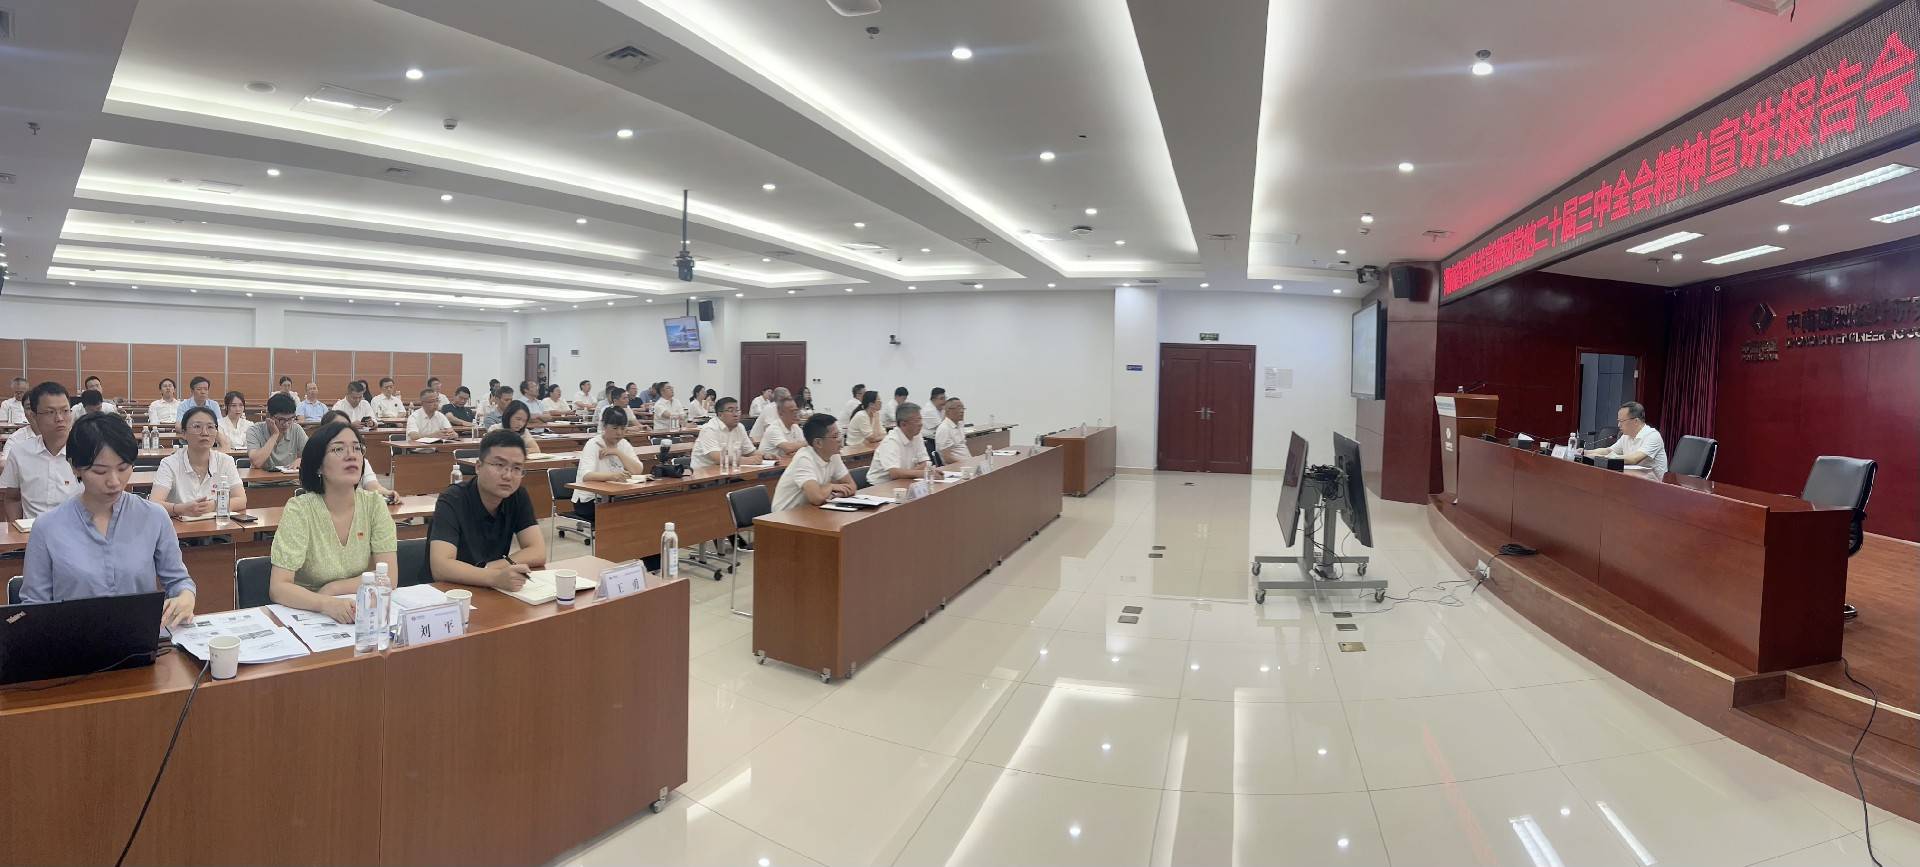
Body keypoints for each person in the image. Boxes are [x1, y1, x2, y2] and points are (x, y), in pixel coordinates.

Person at [20, 413, 195, 628]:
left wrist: (185, 596)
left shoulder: (153, 517)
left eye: (123, 468)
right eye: (100, 471)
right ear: (75, 467)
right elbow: (34, 606)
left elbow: (178, 581)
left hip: (140, 638)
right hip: (72, 642)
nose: (114, 482)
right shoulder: (48, 528)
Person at [266, 422, 400, 623]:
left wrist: (334, 589)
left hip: (359, 611)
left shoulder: (374, 504)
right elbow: (278, 587)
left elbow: (389, 577)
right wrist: (325, 603)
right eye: (338, 449)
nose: (351, 455)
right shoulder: (300, 510)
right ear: (319, 465)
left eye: (357, 448)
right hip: (309, 613)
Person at [427, 429, 547, 588]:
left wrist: (492, 568)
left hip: (491, 588)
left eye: (517, 468)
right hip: (451, 590)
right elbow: (441, 568)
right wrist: (494, 577)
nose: (508, 475)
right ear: (478, 466)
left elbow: (538, 551)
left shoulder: (517, 495)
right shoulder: (452, 499)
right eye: (499, 465)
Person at [0, 382, 80, 521]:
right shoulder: (20, 452)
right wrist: (18, 528)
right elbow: (12, 498)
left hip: (76, 530)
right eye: (50, 412)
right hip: (32, 531)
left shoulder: (87, 451)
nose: (60, 418)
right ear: (34, 416)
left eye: (65, 411)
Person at [151, 405, 248, 517]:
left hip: (216, 526)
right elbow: (154, 503)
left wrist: (214, 505)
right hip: (179, 526)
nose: (205, 433)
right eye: (197, 426)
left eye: (210, 427)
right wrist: (180, 509)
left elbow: (241, 500)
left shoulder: (226, 461)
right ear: (184, 433)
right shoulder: (169, 463)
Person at [571, 405, 645, 525]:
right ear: (604, 426)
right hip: (589, 500)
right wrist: (613, 476)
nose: (619, 433)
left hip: (615, 496)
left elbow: (637, 470)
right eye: (615, 428)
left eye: (622, 428)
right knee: (626, 513)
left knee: (641, 508)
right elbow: (586, 476)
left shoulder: (623, 444)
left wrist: (617, 452)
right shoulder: (593, 444)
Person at [772, 413, 856, 511]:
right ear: (818, 443)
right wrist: (831, 486)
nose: (840, 439)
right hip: (785, 515)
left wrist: (834, 494)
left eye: (839, 434)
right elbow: (816, 498)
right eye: (835, 436)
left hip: (810, 511)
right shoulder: (804, 459)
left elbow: (852, 486)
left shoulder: (833, 455)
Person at [318, 411, 398, 501]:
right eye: (336, 428)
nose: (343, 432)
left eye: (346, 427)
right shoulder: (319, 459)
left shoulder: (359, 459)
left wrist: (386, 493)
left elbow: (372, 485)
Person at [1583, 400, 1669, 476]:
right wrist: (1586, 452)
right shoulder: (1626, 436)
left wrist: (1603, 458)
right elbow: (1609, 450)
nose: (1618, 425)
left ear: (1636, 421)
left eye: (1621, 421)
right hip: (1632, 477)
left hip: (1653, 483)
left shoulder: (1652, 436)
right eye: (1618, 421)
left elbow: (1633, 459)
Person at [246, 392, 309, 472]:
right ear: (269, 416)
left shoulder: (296, 429)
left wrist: (301, 460)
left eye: (290, 419)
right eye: (281, 419)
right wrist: (275, 435)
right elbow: (256, 462)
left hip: (289, 479)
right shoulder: (254, 430)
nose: (286, 424)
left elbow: (311, 455)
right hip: (260, 479)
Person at [868, 402, 931, 483]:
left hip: (904, 480)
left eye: (920, 419)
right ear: (903, 424)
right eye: (916, 420)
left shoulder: (917, 435)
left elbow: (925, 463)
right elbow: (895, 473)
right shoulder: (891, 441)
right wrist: (921, 473)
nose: (920, 424)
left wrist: (908, 473)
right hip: (880, 485)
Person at [691, 397, 758, 471]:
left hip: (728, 471)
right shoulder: (709, 429)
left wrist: (761, 456)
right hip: (703, 473)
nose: (736, 414)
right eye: (731, 411)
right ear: (720, 414)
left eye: (737, 410)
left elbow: (750, 451)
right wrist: (748, 460)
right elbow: (718, 458)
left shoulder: (740, 427)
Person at [934, 397, 971, 464]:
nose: (962, 411)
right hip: (956, 467)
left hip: (967, 464)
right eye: (958, 408)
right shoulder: (944, 429)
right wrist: (965, 464)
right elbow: (947, 458)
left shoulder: (959, 424)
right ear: (948, 410)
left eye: (963, 408)